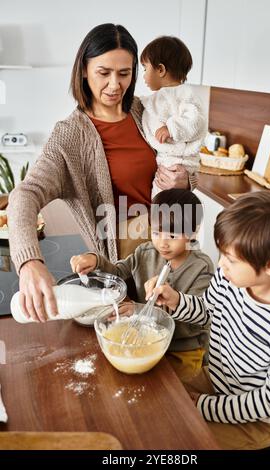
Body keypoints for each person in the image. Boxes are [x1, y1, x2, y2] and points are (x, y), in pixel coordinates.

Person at [7, 24, 193, 323]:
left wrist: (186, 180)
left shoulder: (143, 111)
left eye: (124, 73)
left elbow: (180, 154)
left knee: (181, 339)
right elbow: (25, 195)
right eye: (103, 73)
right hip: (125, 265)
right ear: (83, 70)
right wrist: (29, 261)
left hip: (172, 248)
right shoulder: (69, 136)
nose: (114, 85)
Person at [144, 191, 270, 450]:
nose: (222, 265)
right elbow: (207, 310)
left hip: (262, 418)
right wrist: (175, 300)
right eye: (222, 255)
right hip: (219, 380)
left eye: (231, 259)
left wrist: (205, 406)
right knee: (157, 404)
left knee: (181, 440)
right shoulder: (231, 277)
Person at [70, 188, 214, 381]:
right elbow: (119, 273)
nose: (162, 243)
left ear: (193, 232)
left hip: (182, 350)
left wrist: (140, 310)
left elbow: (195, 319)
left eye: (172, 236)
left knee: (173, 393)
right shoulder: (145, 252)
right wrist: (97, 261)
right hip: (141, 337)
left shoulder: (201, 268)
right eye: (156, 232)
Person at [140, 36, 207, 197]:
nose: (143, 76)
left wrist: (171, 128)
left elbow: (195, 121)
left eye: (145, 69)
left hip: (179, 162)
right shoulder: (155, 98)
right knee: (160, 206)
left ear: (161, 70)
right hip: (165, 162)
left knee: (168, 208)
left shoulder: (184, 94)